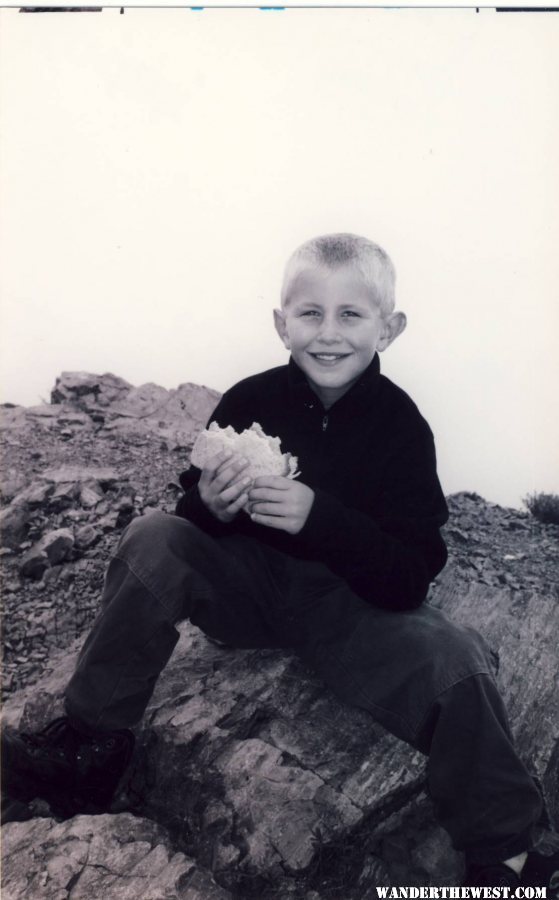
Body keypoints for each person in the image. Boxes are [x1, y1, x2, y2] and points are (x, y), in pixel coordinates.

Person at [2, 234, 557, 890]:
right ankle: (91, 745)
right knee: (153, 539)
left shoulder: (401, 427)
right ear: (280, 322)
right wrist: (207, 503)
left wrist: (317, 516)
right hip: (248, 590)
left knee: (457, 666)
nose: (328, 333)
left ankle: (508, 855)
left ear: (390, 328)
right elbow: (192, 520)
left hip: (351, 608)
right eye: (309, 313)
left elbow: (411, 570)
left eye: (351, 314)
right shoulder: (250, 400)